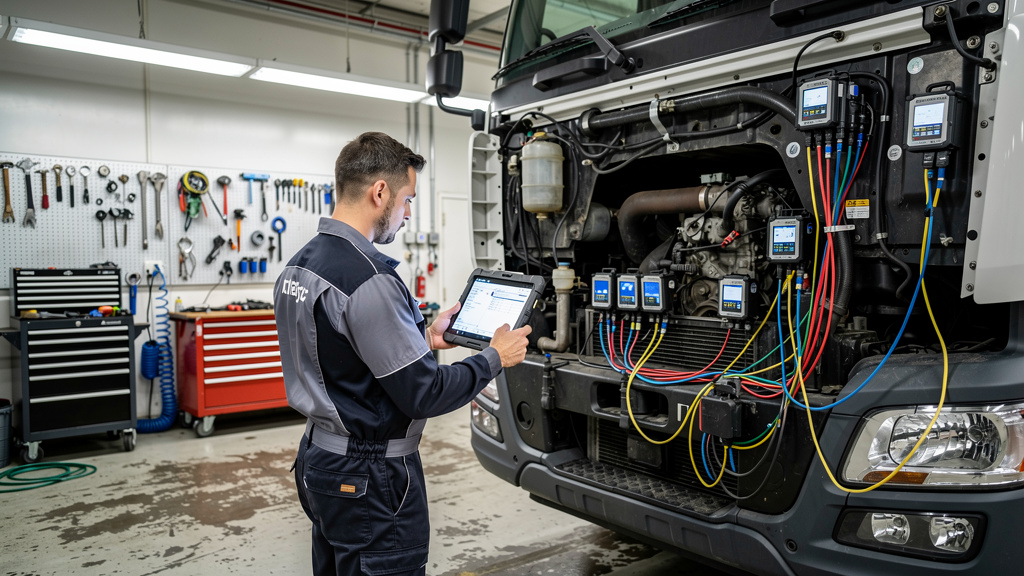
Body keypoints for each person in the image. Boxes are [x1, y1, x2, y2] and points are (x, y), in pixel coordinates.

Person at [274, 131, 532, 576]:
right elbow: (425, 394)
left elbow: (340, 356)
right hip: (369, 477)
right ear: (380, 192)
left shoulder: (300, 265)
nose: (408, 213)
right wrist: (495, 356)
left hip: (320, 460)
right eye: (407, 199)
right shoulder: (368, 278)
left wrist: (425, 339)